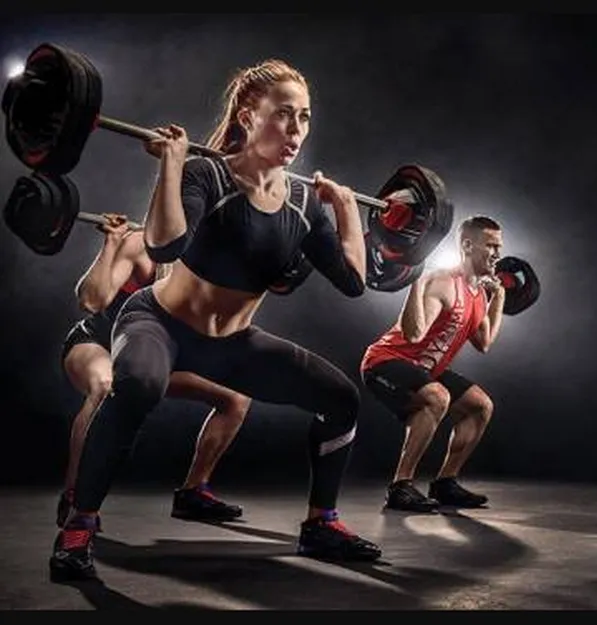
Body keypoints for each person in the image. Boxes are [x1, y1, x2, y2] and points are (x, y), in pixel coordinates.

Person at [49, 58, 382, 583]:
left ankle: (321, 523)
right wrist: (172, 165)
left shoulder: (304, 205)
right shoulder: (208, 173)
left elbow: (352, 281)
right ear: (249, 117)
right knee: (136, 384)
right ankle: (78, 523)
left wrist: (344, 211)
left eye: (305, 118)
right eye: (283, 115)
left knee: (341, 399)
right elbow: (164, 244)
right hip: (159, 322)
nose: (295, 131)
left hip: (230, 344)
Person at [58, 212, 253, 528]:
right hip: (99, 343)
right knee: (105, 386)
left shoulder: (207, 261)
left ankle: (193, 493)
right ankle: (75, 498)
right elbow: (92, 301)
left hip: (152, 355)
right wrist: (111, 245)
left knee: (235, 398)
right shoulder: (138, 244)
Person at [360, 216, 506, 513]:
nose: (497, 254)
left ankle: (445, 483)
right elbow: (414, 334)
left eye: (499, 247)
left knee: (481, 406)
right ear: (467, 245)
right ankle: (400, 487)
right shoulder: (442, 282)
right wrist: (416, 279)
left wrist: (499, 296)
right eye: (490, 245)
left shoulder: (478, 294)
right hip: (386, 362)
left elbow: (485, 343)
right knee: (437, 396)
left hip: (425, 369)